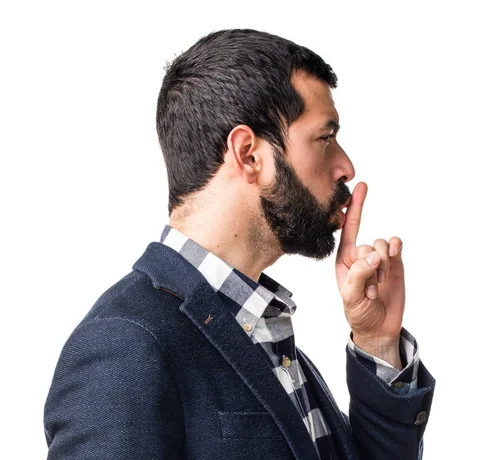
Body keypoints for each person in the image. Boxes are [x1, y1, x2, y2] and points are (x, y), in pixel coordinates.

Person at [43, 28, 435, 460]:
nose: (345, 166)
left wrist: (377, 342)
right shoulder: (126, 344)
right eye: (325, 138)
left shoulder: (259, 328)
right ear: (249, 154)